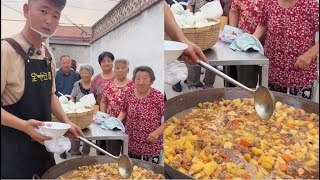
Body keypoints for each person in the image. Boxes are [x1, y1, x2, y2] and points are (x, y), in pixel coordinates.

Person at [1, 0, 84, 178]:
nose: (49, 21)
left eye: (56, 15)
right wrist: (24, 126)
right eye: (44, 11)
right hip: (11, 154)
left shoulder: (48, 55)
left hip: (44, 151)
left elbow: (50, 95)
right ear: (26, 10)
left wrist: (66, 121)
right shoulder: (5, 51)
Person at [253, 0, 319, 99]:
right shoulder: (270, 2)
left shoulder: (311, 5)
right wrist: (250, 40)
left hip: (300, 74)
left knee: (299, 112)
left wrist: (309, 55)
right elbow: (263, 25)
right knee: (271, 111)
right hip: (272, 73)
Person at [117, 66, 164, 164]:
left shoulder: (158, 96)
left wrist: (157, 133)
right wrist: (116, 121)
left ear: (152, 81)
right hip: (131, 142)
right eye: (138, 79)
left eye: (145, 78)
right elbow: (124, 110)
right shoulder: (129, 93)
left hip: (151, 143)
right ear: (133, 80)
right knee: (132, 172)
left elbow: (169, 119)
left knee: (151, 173)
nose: (141, 82)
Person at [99, 59, 134, 156]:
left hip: (128, 124)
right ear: (114, 70)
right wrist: (104, 116)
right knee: (112, 152)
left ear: (128, 70)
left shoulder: (133, 86)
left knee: (127, 151)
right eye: (117, 68)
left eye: (123, 68)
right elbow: (103, 101)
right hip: (112, 124)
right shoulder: (109, 85)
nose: (120, 70)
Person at [228, 0, 264, 88]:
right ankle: (246, 100)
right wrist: (232, 34)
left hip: (269, 43)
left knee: (267, 83)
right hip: (245, 46)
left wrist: (253, 38)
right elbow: (234, 11)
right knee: (246, 83)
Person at [69, 64, 94, 157]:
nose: (84, 75)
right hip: (78, 112)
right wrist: (71, 105)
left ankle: (86, 153)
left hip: (89, 113)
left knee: (89, 134)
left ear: (91, 74)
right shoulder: (77, 84)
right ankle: (74, 152)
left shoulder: (94, 84)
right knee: (75, 132)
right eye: (82, 73)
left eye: (86, 73)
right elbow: (72, 96)